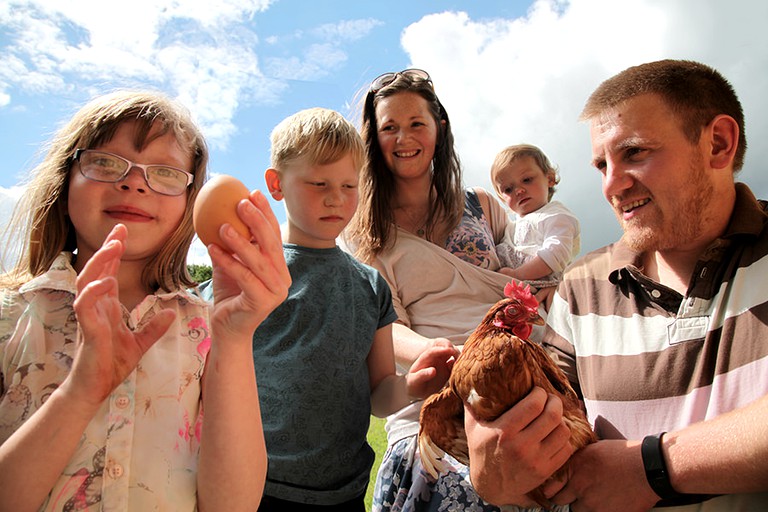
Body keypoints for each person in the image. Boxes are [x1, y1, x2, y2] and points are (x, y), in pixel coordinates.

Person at [464, 59, 768, 511]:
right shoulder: (579, 290)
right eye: (602, 163)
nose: (612, 184)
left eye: (635, 153)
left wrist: (653, 468)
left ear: (718, 144)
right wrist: (496, 467)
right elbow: (541, 449)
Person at [0, 90, 291, 511]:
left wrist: (235, 335)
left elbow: (233, 505)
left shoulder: (205, 328)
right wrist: (81, 392)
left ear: (190, 203)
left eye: (166, 172)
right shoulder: (12, 315)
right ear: (65, 180)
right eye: (104, 161)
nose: (134, 180)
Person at [208, 107, 455, 511]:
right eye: (318, 183)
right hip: (256, 488)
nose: (336, 198)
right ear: (276, 184)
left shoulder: (370, 285)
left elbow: (377, 395)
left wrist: (413, 387)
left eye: (348, 185)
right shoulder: (252, 273)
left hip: (343, 494)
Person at [345, 69, 543, 512]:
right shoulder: (364, 233)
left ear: (440, 127)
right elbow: (387, 327)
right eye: (389, 127)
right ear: (373, 139)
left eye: (417, 123)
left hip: (519, 377)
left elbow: (519, 274)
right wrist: (450, 357)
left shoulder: (483, 205)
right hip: (434, 394)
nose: (404, 137)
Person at [490, 143, 580, 292]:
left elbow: (556, 254)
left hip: (547, 287)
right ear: (502, 198)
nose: (518, 190)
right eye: (508, 189)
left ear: (550, 178)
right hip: (514, 291)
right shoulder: (510, 227)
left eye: (527, 180)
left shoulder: (555, 215)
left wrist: (518, 274)